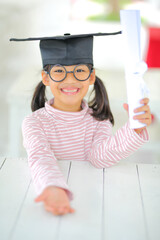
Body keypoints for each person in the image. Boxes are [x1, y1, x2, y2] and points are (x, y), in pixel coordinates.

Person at [10, 33, 151, 216]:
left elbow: (98, 158)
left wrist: (135, 128)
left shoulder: (98, 121)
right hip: (54, 196)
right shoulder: (34, 122)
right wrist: (53, 188)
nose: (70, 80)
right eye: (59, 71)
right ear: (46, 78)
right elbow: (40, 156)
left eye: (80, 71)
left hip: (93, 199)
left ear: (91, 77)